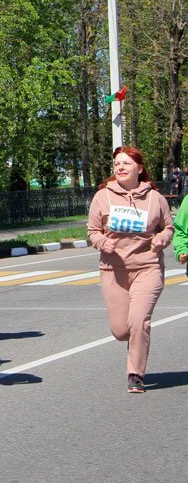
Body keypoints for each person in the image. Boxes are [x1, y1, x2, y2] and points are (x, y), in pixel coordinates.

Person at [88, 146, 172, 394]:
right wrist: (104, 242)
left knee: (139, 322)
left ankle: (135, 374)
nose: (120, 168)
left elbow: (168, 227)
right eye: (117, 164)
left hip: (148, 267)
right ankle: (133, 345)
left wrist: (161, 239)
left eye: (126, 163)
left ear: (139, 168)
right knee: (121, 330)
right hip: (113, 270)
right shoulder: (102, 197)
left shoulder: (155, 198)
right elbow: (93, 232)